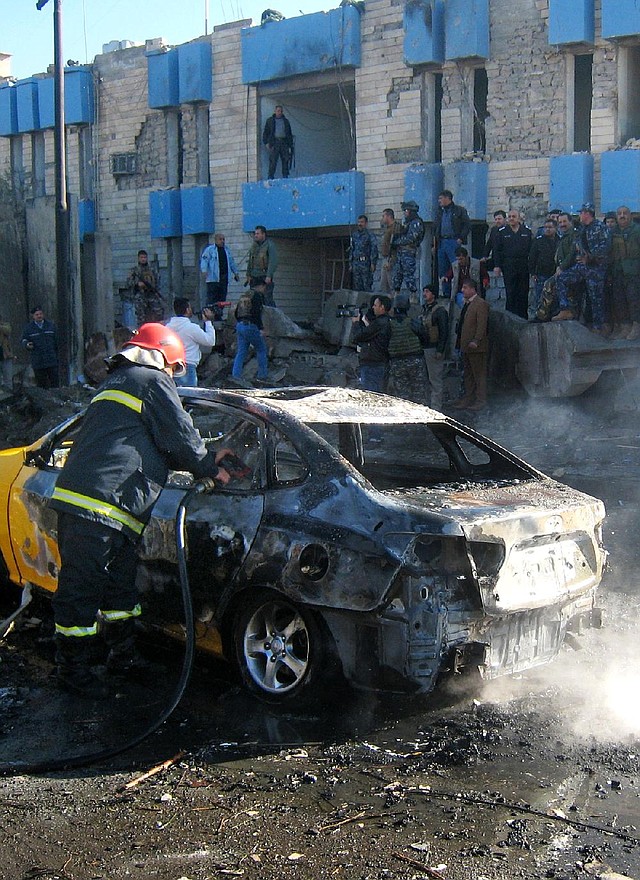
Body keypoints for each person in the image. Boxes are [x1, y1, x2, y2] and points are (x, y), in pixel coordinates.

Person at [49, 323, 231, 696]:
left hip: (107, 507)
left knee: (119, 590)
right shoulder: (151, 379)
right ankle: (72, 672)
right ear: (163, 355)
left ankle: (123, 659)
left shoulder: (117, 383)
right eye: (174, 369)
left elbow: (153, 439)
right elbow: (179, 435)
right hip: (97, 504)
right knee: (80, 590)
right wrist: (212, 467)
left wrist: (209, 453)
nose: (172, 376)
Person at [552, 203, 611, 333]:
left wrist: (589, 258)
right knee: (561, 278)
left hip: (596, 269)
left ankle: (599, 326)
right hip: (581, 267)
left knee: (596, 297)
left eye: (581, 213)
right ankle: (565, 309)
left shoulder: (601, 228)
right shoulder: (581, 230)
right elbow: (577, 247)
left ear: (586, 213)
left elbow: (605, 248)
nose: (579, 216)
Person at [451, 279, 490, 412]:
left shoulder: (480, 304)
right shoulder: (467, 304)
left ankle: (481, 400)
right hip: (466, 346)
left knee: (479, 374)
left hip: (476, 347)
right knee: (468, 374)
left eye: (465, 287)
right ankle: (469, 398)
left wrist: (477, 340)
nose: (463, 290)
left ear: (473, 289)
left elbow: (482, 324)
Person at [387, 293, 428, 404]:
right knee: (419, 393)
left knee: (402, 396)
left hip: (397, 362)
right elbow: (425, 339)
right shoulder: (414, 322)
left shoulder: (388, 325)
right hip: (415, 360)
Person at [166, 298, 216, 386]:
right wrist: (208, 322)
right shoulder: (192, 328)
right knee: (190, 397)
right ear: (187, 309)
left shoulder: (168, 327)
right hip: (188, 366)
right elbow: (210, 341)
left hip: (172, 366)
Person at [493, 209, 533, 319]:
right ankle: (510, 318)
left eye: (514, 216)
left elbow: (532, 251)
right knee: (510, 292)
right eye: (509, 216)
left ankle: (523, 318)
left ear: (519, 218)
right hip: (508, 265)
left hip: (523, 265)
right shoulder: (502, 232)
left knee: (523, 292)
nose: (511, 218)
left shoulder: (527, 232)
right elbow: (497, 250)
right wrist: (497, 266)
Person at [350, 295, 392, 396]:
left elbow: (358, 337)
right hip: (378, 363)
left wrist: (356, 323)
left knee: (372, 395)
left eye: (375, 305)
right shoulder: (384, 321)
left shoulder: (380, 323)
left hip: (374, 364)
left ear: (382, 307)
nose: (373, 307)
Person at [610, 205, 640, 340]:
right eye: (619, 213)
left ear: (631, 216)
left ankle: (636, 327)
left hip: (634, 271)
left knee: (634, 299)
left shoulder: (637, 230)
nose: (622, 216)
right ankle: (625, 327)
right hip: (618, 271)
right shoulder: (613, 232)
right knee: (619, 300)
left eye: (625, 213)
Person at [434, 190, 471, 293]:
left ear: (447, 198)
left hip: (453, 241)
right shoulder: (439, 212)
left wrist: (460, 238)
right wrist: (435, 243)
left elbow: (467, 225)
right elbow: (436, 228)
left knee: (457, 267)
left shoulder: (459, 210)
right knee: (443, 269)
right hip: (442, 242)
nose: (439, 201)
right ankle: (446, 293)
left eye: (441, 198)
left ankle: (459, 292)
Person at [419, 285, 449, 411]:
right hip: (424, 348)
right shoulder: (425, 309)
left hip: (433, 349)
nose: (425, 294)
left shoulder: (440, 311)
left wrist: (440, 350)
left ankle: (436, 408)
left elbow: (444, 332)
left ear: (434, 294)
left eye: (427, 292)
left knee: (435, 380)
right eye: (424, 291)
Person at [232, 282, 269, 384]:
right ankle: (262, 375)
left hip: (240, 325)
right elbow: (256, 313)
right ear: (260, 286)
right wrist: (261, 327)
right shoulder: (257, 296)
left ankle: (236, 376)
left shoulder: (244, 295)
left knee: (241, 352)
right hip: (250, 326)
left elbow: (236, 312)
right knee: (261, 349)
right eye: (264, 287)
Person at [200, 233, 240, 318]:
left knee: (222, 299)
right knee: (212, 299)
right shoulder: (210, 250)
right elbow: (204, 260)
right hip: (213, 279)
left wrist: (236, 273)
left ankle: (218, 315)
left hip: (223, 279)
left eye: (223, 239)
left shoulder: (227, 250)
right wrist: (204, 270)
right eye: (220, 239)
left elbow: (231, 262)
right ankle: (209, 316)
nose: (222, 241)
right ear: (216, 240)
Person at [392, 200, 425, 297]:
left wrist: (397, 242)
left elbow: (411, 238)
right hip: (401, 252)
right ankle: (396, 294)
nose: (405, 213)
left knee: (409, 275)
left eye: (406, 210)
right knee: (398, 274)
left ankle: (413, 296)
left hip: (408, 252)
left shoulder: (416, 223)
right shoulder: (407, 222)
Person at [21, 305, 59, 389]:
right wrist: (27, 345)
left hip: (51, 360)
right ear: (33, 316)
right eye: (37, 314)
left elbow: (57, 341)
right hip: (38, 361)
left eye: (40, 314)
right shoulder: (29, 328)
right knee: (42, 385)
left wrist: (56, 356)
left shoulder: (51, 326)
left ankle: (57, 400)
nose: (39, 316)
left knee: (55, 384)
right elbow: (23, 340)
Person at [528, 217, 559, 312]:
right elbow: (532, 257)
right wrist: (532, 273)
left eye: (550, 227)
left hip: (555, 274)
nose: (547, 229)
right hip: (541, 274)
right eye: (546, 227)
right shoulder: (538, 241)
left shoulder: (560, 241)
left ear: (556, 228)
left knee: (555, 298)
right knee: (540, 298)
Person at [127, 249, 164, 326]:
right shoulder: (135, 271)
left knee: (158, 314)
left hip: (152, 295)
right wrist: (137, 284)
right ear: (138, 258)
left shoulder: (152, 269)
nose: (143, 259)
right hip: (140, 296)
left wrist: (154, 288)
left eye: (145, 257)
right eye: (141, 257)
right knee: (141, 317)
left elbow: (157, 281)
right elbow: (128, 283)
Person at [246, 225, 278, 307]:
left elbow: (272, 261)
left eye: (258, 233)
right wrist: (248, 274)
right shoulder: (254, 246)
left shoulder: (270, 245)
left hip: (264, 277)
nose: (255, 235)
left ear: (263, 234)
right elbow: (250, 261)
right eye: (255, 233)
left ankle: (272, 317)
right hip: (254, 277)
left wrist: (269, 275)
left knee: (267, 299)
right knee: (254, 299)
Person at [262, 104, 294, 180]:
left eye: (281, 111)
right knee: (273, 160)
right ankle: (270, 177)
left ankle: (285, 177)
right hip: (274, 142)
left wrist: (290, 145)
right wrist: (266, 143)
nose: (279, 112)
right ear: (275, 111)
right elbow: (265, 133)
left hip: (284, 142)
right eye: (278, 111)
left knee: (285, 160)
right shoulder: (270, 121)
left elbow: (289, 133)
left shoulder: (286, 121)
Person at [349, 215, 378, 292]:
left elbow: (374, 248)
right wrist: (350, 263)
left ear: (366, 223)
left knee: (366, 286)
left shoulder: (370, 235)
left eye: (361, 222)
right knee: (357, 287)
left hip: (365, 263)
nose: (359, 224)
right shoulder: (354, 235)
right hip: (356, 263)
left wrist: (373, 263)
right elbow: (352, 249)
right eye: (358, 222)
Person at [379, 208, 403, 294]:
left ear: (389, 216)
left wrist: (391, 261)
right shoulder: (388, 228)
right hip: (385, 258)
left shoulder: (395, 228)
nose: (382, 218)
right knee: (384, 285)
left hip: (392, 259)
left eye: (383, 216)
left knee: (392, 284)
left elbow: (395, 246)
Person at [0, 318, 14, 391]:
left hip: (6, 357)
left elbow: (8, 331)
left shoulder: (5, 325)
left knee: (8, 380)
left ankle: (9, 398)